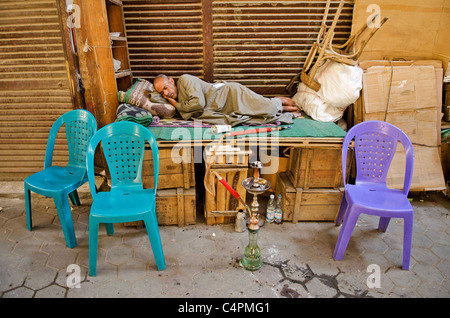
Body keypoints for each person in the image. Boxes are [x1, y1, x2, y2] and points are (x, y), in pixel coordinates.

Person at [153, 74, 298, 126]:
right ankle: (283, 108)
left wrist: (177, 104)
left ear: (171, 81)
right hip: (224, 109)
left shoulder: (185, 80)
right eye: (162, 92)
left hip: (229, 95)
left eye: (166, 87)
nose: (166, 93)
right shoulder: (173, 99)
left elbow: (198, 103)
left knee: (269, 108)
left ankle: (282, 101)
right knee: (258, 115)